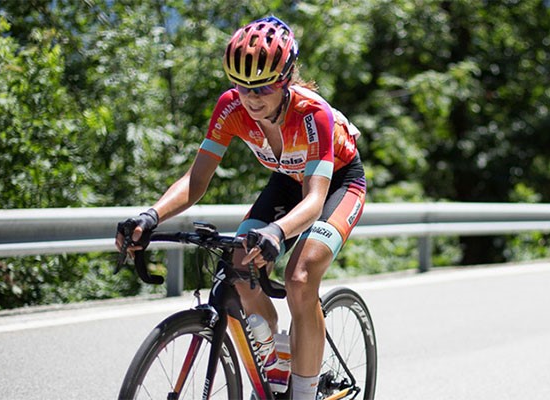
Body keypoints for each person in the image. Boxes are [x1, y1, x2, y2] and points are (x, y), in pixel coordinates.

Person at [115, 16, 366, 399]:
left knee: (301, 277)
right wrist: (151, 214)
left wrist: (278, 232)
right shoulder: (230, 109)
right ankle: (275, 361)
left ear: (286, 78)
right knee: (237, 262)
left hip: (337, 181)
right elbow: (195, 182)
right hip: (287, 178)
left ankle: (303, 392)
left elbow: (315, 200)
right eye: (242, 86)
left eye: (263, 87)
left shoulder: (312, 114)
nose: (252, 98)